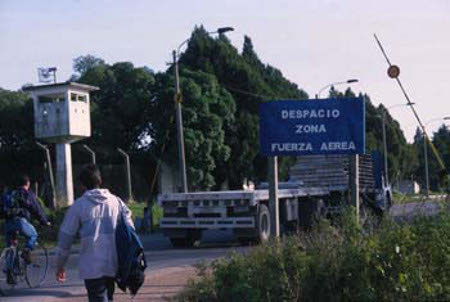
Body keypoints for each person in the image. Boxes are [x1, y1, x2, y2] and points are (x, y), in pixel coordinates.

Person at [55, 164, 134, 302]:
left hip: (91, 266)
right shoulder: (117, 202)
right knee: (107, 297)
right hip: (113, 264)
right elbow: (130, 229)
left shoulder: (79, 206)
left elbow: (65, 239)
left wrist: (60, 265)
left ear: (82, 185)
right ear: (100, 181)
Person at [3, 174, 50, 266]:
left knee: (11, 246)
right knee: (33, 235)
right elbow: (35, 209)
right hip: (20, 222)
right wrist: (44, 221)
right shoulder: (27, 194)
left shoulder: (11, 194)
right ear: (28, 183)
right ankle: (26, 251)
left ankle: (10, 272)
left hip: (8, 223)